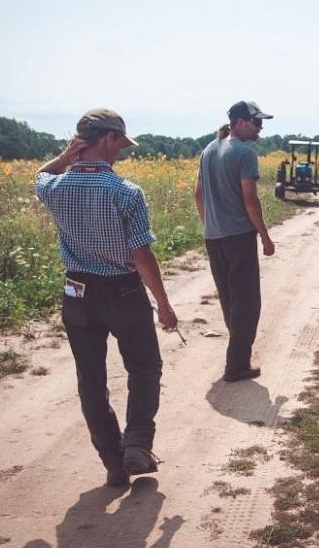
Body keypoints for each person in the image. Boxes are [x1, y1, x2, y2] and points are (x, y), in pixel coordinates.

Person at [35, 108, 179, 486]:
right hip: (123, 291)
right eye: (120, 144)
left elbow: (40, 175)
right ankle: (137, 444)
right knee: (145, 368)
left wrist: (66, 158)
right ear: (109, 138)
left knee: (91, 379)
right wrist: (163, 303)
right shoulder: (125, 192)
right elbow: (140, 254)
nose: (122, 152)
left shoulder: (56, 188)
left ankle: (114, 463)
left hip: (77, 291)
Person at [194, 100, 276, 382]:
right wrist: (265, 237)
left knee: (229, 300)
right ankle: (237, 365)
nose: (260, 129)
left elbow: (198, 195)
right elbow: (250, 201)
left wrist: (210, 224)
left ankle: (237, 354)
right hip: (238, 237)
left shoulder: (208, 150)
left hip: (213, 237)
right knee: (247, 302)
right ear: (240, 122)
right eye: (257, 123)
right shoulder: (244, 153)